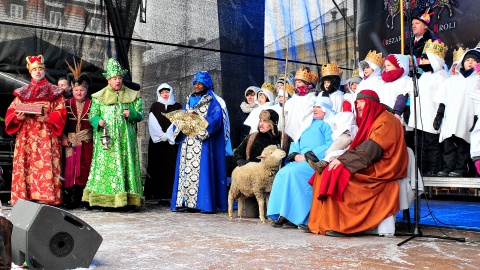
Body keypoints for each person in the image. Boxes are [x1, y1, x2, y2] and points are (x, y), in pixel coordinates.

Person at [308, 90, 408, 236]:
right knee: (323, 172)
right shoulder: (375, 119)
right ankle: (319, 222)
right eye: (357, 102)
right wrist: (340, 159)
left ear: (372, 103)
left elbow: (371, 150)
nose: (358, 105)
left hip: (382, 168)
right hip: (371, 162)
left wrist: (343, 161)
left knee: (337, 173)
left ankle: (342, 225)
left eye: (361, 102)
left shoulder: (387, 120)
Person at [82, 58, 145, 209]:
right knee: (105, 168)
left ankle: (128, 199)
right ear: (108, 80)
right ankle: (103, 200)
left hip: (125, 141)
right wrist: (98, 121)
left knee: (126, 166)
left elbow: (141, 114)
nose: (117, 81)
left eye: (119, 78)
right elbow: (92, 115)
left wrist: (133, 113)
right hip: (107, 140)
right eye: (114, 78)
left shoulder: (133, 96)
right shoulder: (98, 97)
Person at [5, 55, 66, 206]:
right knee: (26, 164)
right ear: (30, 72)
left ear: (44, 71)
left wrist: (49, 118)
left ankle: (46, 197)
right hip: (26, 136)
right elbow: (10, 112)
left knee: (46, 164)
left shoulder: (55, 92)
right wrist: (17, 118)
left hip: (46, 135)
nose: (38, 72)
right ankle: (24, 197)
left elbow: (62, 112)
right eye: (34, 69)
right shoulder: (22, 92)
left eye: (40, 69)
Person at [267, 96, 333, 228]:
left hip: (315, 161)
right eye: (314, 106)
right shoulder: (307, 123)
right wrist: (296, 154)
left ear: (326, 110)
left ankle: (293, 216)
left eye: (318, 107)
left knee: (293, 173)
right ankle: (281, 212)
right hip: (300, 160)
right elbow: (297, 141)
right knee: (282, 173)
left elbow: (330, 145)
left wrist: (308, 156)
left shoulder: (329, 124)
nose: (315, 109)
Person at [170, 71, 228, 213]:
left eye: (200, 83)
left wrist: (198, 119)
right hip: (187, 143)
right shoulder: (188, 101)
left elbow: (216, 121)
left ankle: (202, 203)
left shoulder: (213, 102)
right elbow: (180, 119)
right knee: (185, 172)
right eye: (195, 83)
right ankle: (185, 202)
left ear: (206, 84)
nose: (196, 86)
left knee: (202, 173)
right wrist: (182, 118)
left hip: (202, 144)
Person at [434, 48, 480, 177]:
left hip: (467, 117)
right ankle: (448, 168)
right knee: (448, 145)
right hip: (451, 118)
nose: (470, 62)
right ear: (463, 62)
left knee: (463, 145)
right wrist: (439, 116)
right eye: (468, 59)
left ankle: (461, 169)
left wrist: (476, 120)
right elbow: (442, 100)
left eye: (475, 60)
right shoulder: (451, 80)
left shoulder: (478, 81)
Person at [408, 40, 450, 176]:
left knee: (432, 146)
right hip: (421, 119)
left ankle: (434, 169)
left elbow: (443, 99)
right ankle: (422, 169)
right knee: (421, 146)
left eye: (426, 59)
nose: (422, 61)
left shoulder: (442, 77)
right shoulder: (424, 76)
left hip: (432, 117)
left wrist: (439, 116)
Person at [61, 59, 94, 209]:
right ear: (71, 90)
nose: (79, 93)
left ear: (86, 90)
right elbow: (60, 123)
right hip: (71, 141)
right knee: (70, 170)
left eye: (82, 90)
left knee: (86, 168)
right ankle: (71, 199)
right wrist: (63, 138)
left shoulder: (93, 104)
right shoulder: (65, 104)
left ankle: (86, 199)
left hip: (87, 142)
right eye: (76, 90)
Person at [144, 83, 182, 204]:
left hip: (171, 143)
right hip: (157, 143)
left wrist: (169, 135)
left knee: (171, 167)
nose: (165, 94)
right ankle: (155, 193)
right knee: (157, 166)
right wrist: (160, 135)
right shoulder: (155, 106)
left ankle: (170, 193)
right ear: (159, 94)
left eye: (167, 92)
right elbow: (152, 122)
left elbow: (178, 121)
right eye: (162, 92)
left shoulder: (177, 106)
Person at [283, 67, 318, 143]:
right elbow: (285, 116)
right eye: (296, 82)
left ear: (306, 83)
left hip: (304, 134)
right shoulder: (292, 99)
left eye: (300, 82)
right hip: (289, 133)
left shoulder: (312, 98)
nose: (297, 84)